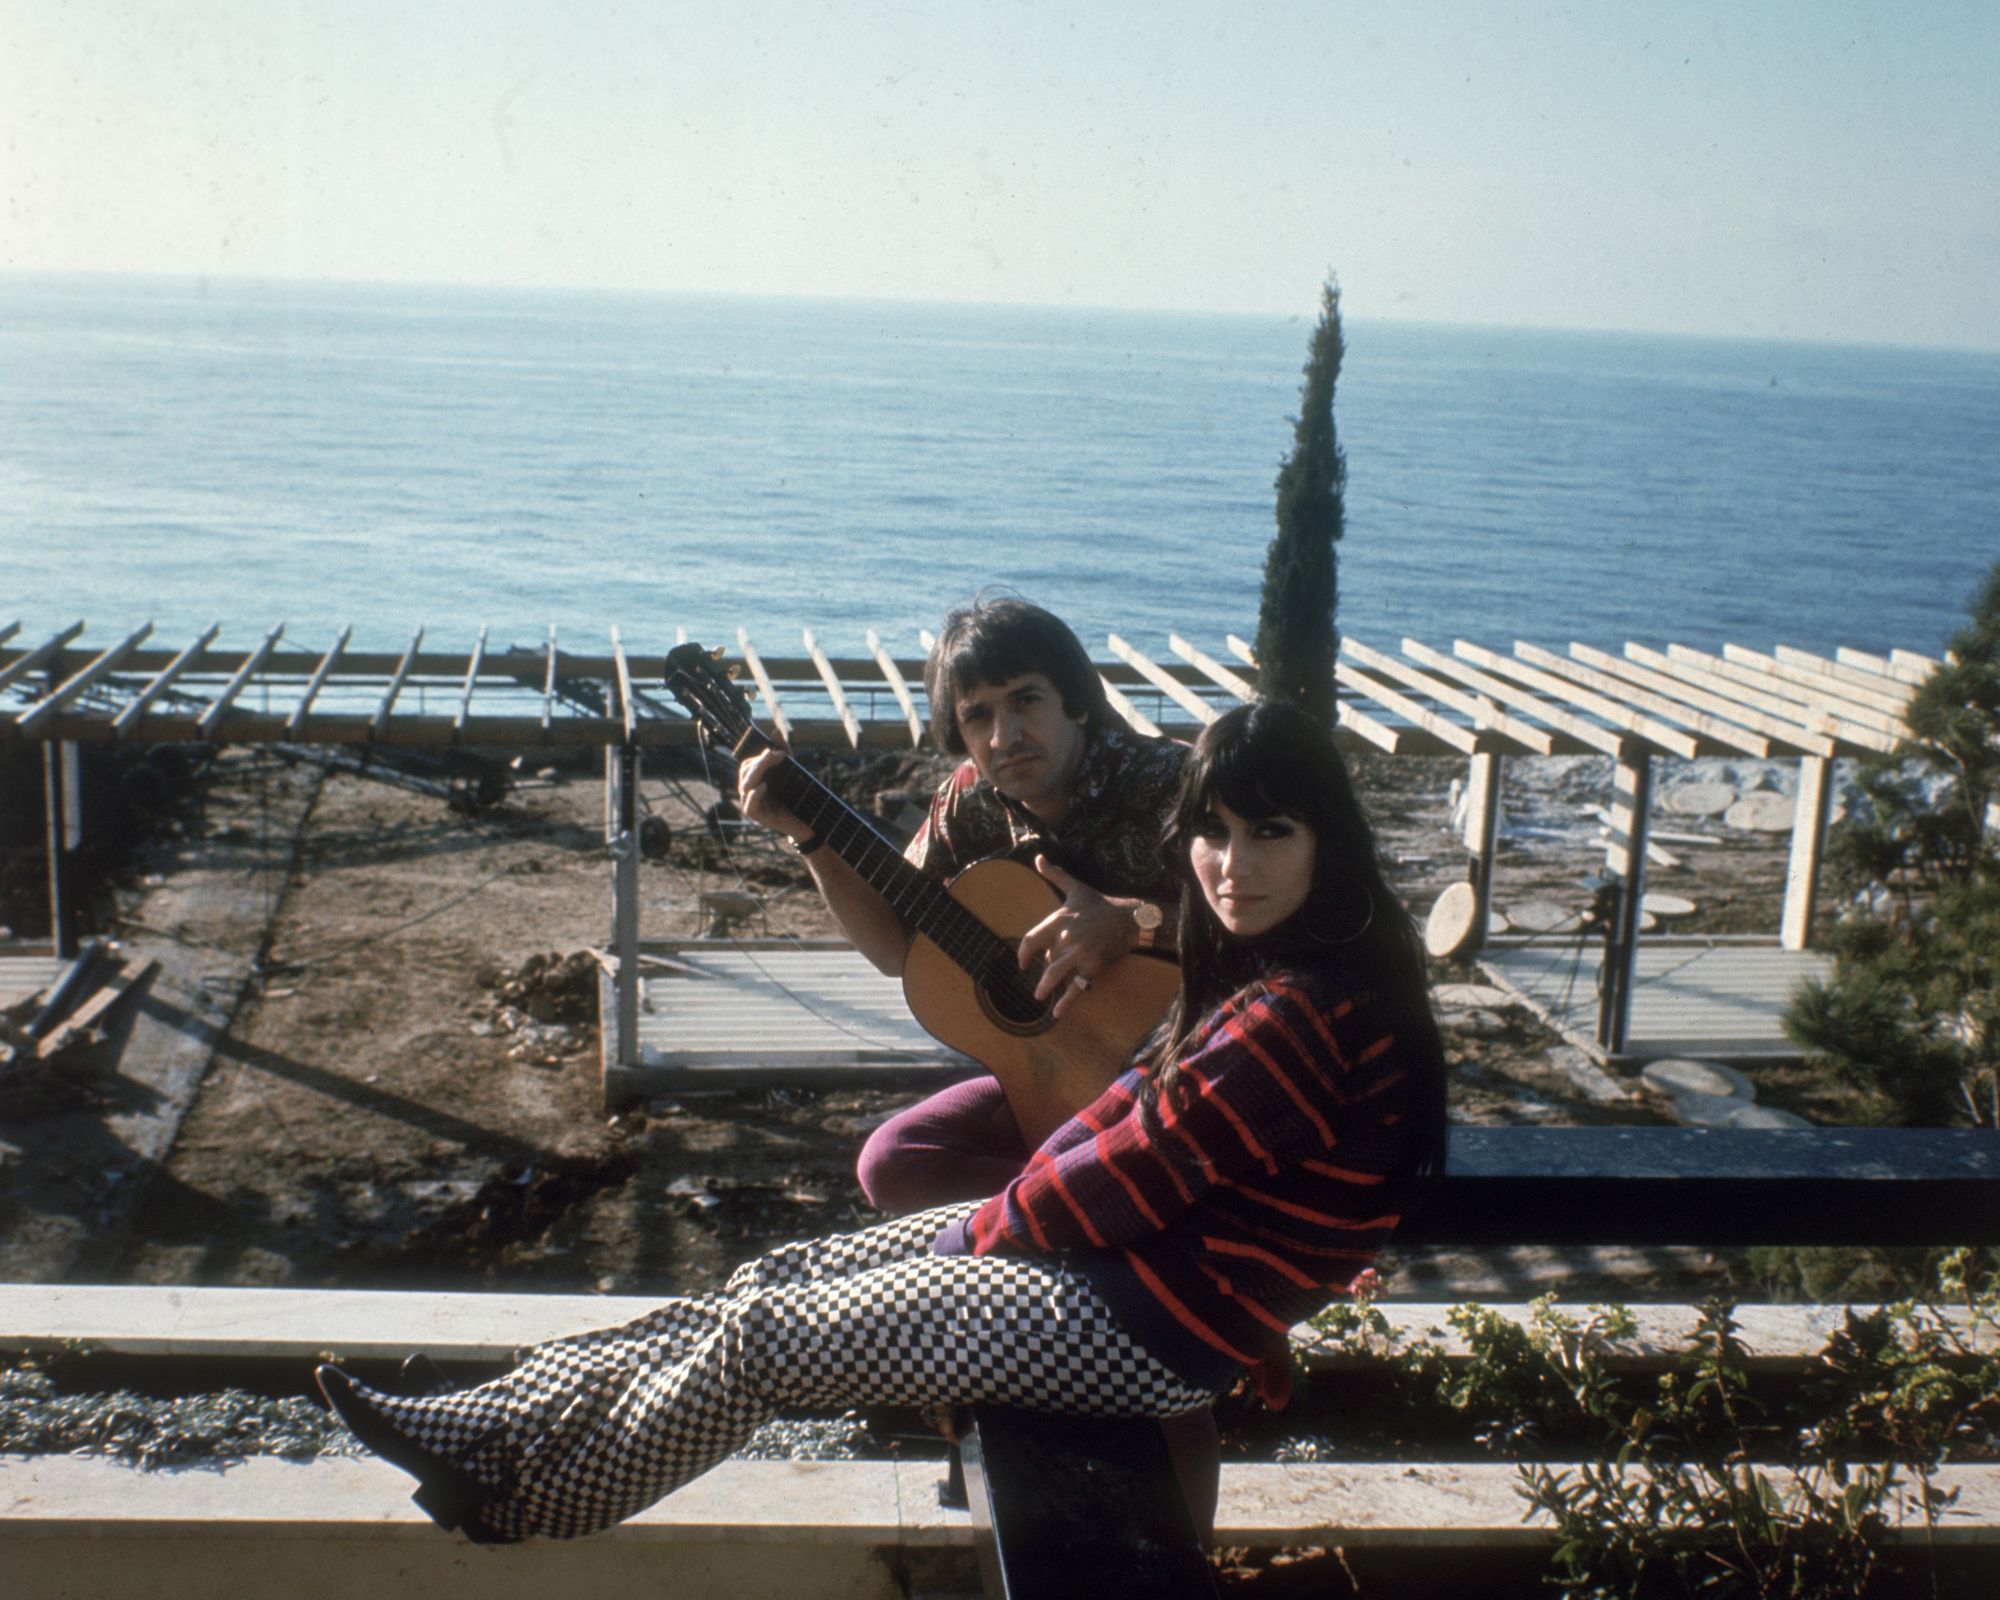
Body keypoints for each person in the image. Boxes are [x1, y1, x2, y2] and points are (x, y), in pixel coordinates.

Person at [315, 700, 1449, 1545]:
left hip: (1142, 1325)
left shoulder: (1302, 1013)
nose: (1228, 865)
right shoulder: (1278, 968)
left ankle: (526, 1499)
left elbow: (1131, 1178)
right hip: (1126, 1283)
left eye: (1268, 835)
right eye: (1211, 832)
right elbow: (1122, 1115)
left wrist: (980, 1235)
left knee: (767, 1342)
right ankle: (492, 1418)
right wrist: (996, 1221)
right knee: (771, 1279)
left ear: (1324, 842)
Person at [737, 596, 1187, 1211]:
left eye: (1026, 700)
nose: (1005, 737)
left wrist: (1135, 923)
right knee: (892, 1163)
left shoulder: (1174, 785)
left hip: (1184, 1068)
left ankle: (1067, 1203)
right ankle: (1072, 1202)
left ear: (1076, 704)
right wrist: (811, 839)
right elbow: (899, 950)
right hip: (1059, 1079)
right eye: (978, 717)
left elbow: (1287, 927)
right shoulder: (968, 802)